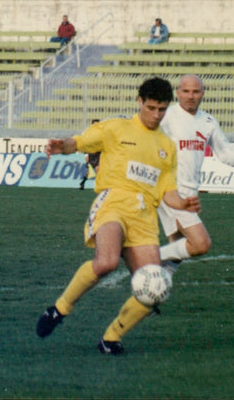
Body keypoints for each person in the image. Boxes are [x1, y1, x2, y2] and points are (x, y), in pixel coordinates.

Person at [35, 77, 202, 355]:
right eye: (151, 108)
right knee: (107, 262)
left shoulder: (167, 147)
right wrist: (59, 146)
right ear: (139, 102)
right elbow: (76, 143)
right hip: (113, 202)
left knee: (154, 286)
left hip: (144, 216)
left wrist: (184, 203)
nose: (156, 115)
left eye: (162, 109)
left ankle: (111, 338)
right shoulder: (115, 128)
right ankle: (59, 310)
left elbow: (166, 191)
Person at [157, 75, 234, 273]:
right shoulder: (166, 117)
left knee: (177, 248)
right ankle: (148, 257)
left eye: (195, 91)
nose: (190, 96)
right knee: (200, 243)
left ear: (203, 93)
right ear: (178, 93)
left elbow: (224, 151)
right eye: (185, 91)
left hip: (190, 191)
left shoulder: (208, 121)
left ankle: (153, 294)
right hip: (170, 189)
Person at [78, 119, 100, 190]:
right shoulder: (88, 133)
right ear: (92, 125)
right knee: (89, 173)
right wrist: (86, 155)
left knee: (98, 170)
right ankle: (82, 182)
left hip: (98, 154)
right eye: (94, 124)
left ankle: (98, 186)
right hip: (91, 154)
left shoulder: (101, 133)